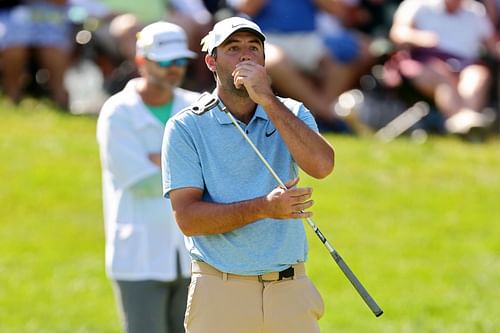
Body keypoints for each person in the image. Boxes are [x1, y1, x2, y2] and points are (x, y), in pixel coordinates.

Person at [161, 17, 335, 332]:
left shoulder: (291, 112)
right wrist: (264, 208)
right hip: (220, 288)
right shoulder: (186, 126)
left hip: (289, 287)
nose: (245, 55)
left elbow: (322, 166)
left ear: (264, 60)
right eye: (233, 48)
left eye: (254, 48)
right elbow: (188, 218)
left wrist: (267, 100)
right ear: (211, 62)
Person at [96, 21, 200, 333]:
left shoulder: (199, 106)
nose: (174, 69)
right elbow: (142, 183)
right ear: (142, 61)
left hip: (194, 255)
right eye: (165, 61)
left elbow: (220, 171)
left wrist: (160, 160)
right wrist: (190, 166)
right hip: (138, 258)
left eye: (180, 61)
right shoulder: (117, 112)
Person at [389, 0, 499, 138]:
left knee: (478, 75)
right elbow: (397, 33)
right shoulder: (416, 4)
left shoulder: (475, 11)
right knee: (443, 75)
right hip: (425, 62)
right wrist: (419, 38)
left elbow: (493, 44)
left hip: (465, 64)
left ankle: (466, 121)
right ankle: (462, 122)